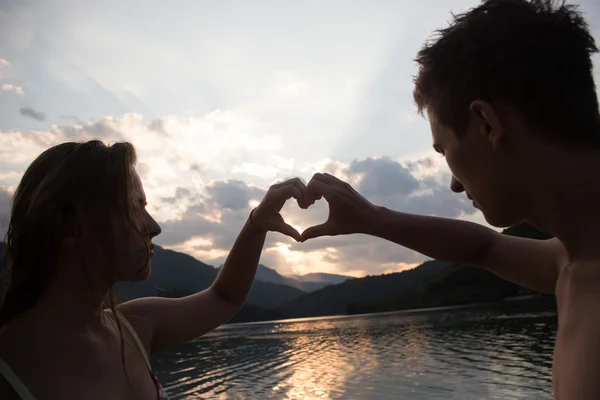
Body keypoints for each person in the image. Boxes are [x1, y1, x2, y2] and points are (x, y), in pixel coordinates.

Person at [299, 0, 600, 399]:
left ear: (486, 124)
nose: (455, 185)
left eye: (444, 152)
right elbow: (483, 248)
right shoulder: (573, 259)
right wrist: (373, 219)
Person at [0, 140, 307, 399]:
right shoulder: (10, 368)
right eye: (134, 206)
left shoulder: (134, 327)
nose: (154, 227)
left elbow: (224, 297)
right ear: (70, 227)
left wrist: (256, 223)